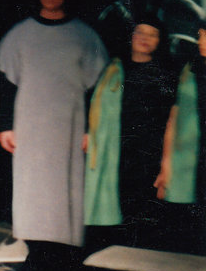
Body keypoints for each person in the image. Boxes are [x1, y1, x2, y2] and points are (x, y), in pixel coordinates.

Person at [0, 0, 107, 271]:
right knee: (33, 192)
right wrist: (6, 126)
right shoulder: (20, 34)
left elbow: (99, 87)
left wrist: (90, 129)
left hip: (68, 128)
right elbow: (6, 82)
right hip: (30, 127)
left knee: (64, 193)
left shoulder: (84, 36)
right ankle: (36, 258)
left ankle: (63, 262)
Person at [84, 20, 178, 250]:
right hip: (111, 150)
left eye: (152, 34)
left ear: (160, 41)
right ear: (131, 35)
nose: (144, 38)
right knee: (108, 207)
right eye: (140, 32)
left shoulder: (165, 75)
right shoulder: (113, 69)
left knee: (138, 214)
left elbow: (170, 120)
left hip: (147, 154)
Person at [155, 25, 206, 254]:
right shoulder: (189, 69)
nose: (202, 41)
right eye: (201, 36)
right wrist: (165, 165)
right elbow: (173, 119)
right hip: (184, 164)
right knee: (179, 235)